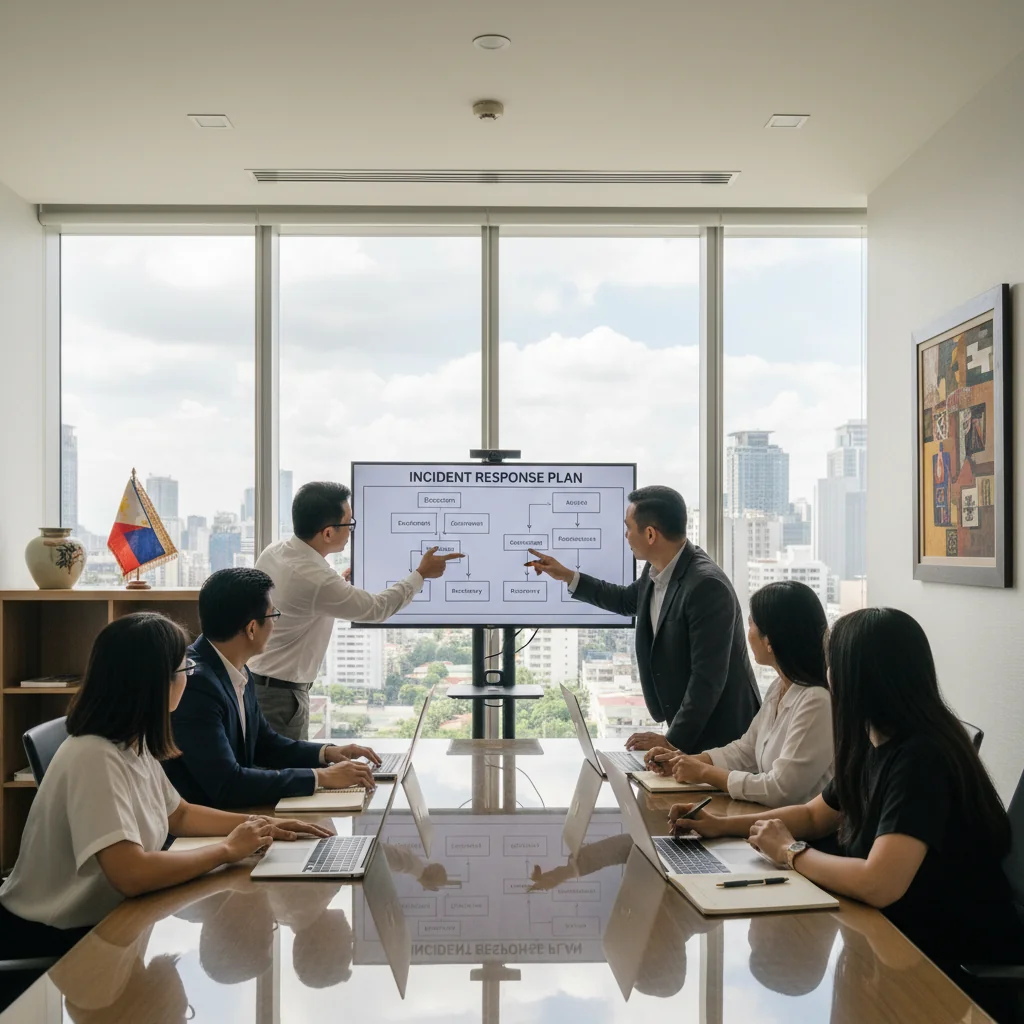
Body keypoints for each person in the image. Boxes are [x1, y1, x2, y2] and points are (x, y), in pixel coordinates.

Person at [666, 607, 1024, 1013]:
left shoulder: (921, 758)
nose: (828, 677)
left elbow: (879, 882)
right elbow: (816, 815)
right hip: (898, 931)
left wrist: (791, 853)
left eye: (833, 666)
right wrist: (721, 825)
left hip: (944, 956)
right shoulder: (872, 738)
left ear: (861, 677)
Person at [0, 613, 330, 976]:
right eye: (185, 668)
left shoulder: (130, 740)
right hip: (59, 935)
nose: (189, 677)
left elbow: (180, 815)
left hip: (106, 920)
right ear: (156, 683)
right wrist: (226, 849)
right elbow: (132, 873)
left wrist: (261, 824)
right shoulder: (94, 756)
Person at [526, 484, 759, 752]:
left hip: (722, 737)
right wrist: (568, 575)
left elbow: (708, 680)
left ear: (650, 534)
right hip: (693, 731)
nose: (625, 535)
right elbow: (627, 600)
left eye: (628, 528)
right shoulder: (657, 568)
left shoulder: (706, 586)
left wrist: (671, 741)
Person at [251, 481, 463, 739]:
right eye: (349, 524)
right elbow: (377, 609)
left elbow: (300, 598)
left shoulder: (275, 552)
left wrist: (337, 587)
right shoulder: (317, 580)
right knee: (283, 773)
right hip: (280, 699)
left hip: (258, 686)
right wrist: (421, 574)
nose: (352, 530)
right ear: (328, 533)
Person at [164, 568, 379, 810]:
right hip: (202, 830)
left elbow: (265, 744)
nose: (275, 624)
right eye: (273, 616)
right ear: (252, 628)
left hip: (236, 814)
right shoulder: (196, 684)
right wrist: (321, 778)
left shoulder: (237, 670)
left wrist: (328, 753)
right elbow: (227, 784)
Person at [645, 580, 833, 806]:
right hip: (769, 821)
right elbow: (746, 751)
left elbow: (780, 789)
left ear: (770, 641)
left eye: (751, 624)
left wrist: (704, 772)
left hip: (802, 836)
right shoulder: (779, 687)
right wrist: (683, 761)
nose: (748, 632)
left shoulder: (816, 701)